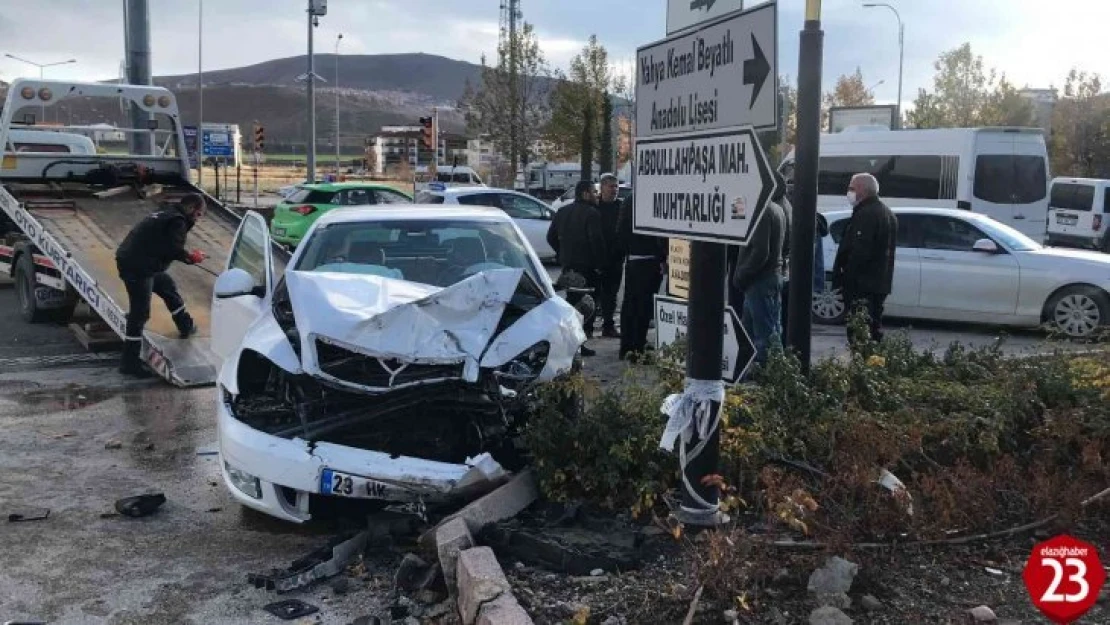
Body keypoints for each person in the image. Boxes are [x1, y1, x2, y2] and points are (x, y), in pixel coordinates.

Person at [115, 193, 209, 377]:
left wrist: (187, 255)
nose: (198, 219)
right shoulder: (178, 221)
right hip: (137, 266)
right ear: (190, 208)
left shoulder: (168, 212)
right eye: (198, 214)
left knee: (167, 286)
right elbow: (173, 249)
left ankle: (186, 325)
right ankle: (129, 362)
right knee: (139, 313)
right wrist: (192, 257)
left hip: (143, 262)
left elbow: (164, 244)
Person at [831, 173, 897, 343]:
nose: (849, 192)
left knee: (860, 330)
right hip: (878, 284)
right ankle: (873, 363)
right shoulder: (887, 213)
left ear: (863, 190)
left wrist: (847, 278)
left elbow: (860, 251)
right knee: (873, 329)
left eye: (852, 188)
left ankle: (864, 363)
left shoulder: (867, 214)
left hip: (863, 285)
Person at [547, 180, 606, 356]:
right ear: (585, 194)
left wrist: (562, 253)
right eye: (595, 192)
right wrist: (600, 265)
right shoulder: (592, 214)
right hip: (587, 268)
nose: (597, 196)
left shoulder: (562, 211)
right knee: (587, 305)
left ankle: (571, 342)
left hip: (568, 266)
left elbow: (551, 237)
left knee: (571, 305)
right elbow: (596, 241)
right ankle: (580, 343)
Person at [731, 192, 788, 368]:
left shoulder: (761, 211)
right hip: (770, 276)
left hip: (759, 279)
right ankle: (746, 367)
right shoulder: (776, 208)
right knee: (750, 328)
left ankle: (772, 371)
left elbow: (760, 252)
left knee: (766, 332)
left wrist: (742, 275)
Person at [616, 193, 667, 360]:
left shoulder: (631, 198)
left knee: (630, 303)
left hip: (633, 258)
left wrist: (629, 250)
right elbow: (660, 231)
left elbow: (621, 231)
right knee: (643, 307)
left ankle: (627, 346)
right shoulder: (652, 198)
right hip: (649, 258)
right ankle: (637, 348)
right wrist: (662, 255)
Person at [595, 174, 623, 338]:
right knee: (595, 293)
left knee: (611, 293)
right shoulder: (594, 206)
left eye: (616, 187)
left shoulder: (620, 206)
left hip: (615, 257)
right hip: (597, 257)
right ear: (602, 187)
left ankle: (608, 325)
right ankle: (589, 327)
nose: (614, 190)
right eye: (611, 186)